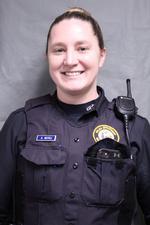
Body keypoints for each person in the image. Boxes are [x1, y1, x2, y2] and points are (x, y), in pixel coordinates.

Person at [0, 7, 150, 225]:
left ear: (101, 55)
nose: (70, 60)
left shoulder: (134, 128)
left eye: (82, 48)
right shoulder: (20, 124)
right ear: (48, 57)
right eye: (59, 50)